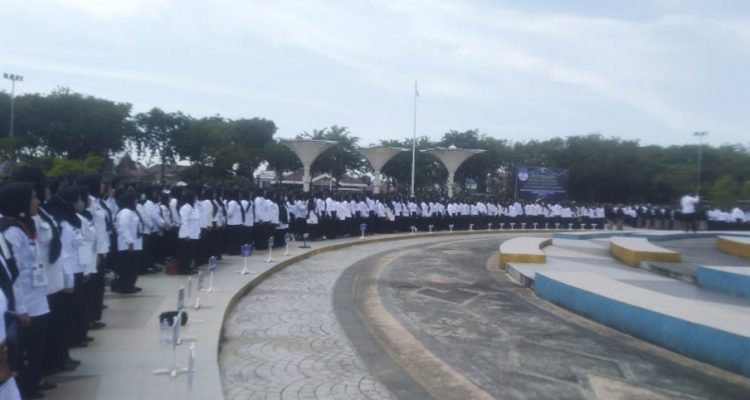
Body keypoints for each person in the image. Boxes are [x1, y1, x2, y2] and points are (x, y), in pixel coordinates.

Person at [0, 182, 50, 399]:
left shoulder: (25, 226)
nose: (36, 202)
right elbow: (15, 276)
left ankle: (33, 384)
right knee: (26, 349)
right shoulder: (12, 232)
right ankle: (27, 389)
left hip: (37, 296)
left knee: (37, 346)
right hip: (26, 302)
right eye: (32, 198)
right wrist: (21, 309)